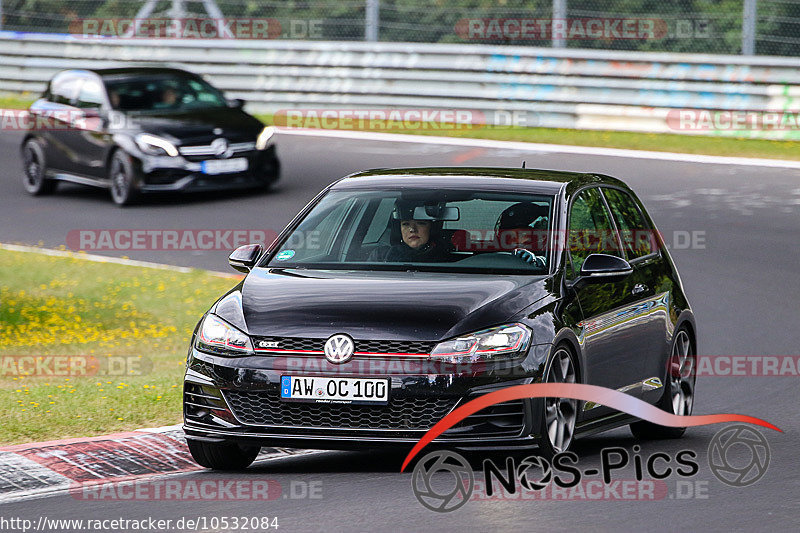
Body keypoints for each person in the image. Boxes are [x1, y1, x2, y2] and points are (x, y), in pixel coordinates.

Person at [368, 201, 454, 262]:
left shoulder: (445, 261)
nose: (412, 229)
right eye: (405, 224)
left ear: (432, 229)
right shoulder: (380, 257)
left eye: (421, 223)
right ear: (399, 229)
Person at [495, 202, 549, 267]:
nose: (513, 239)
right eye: (507, 236)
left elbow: (547, 263)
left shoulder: (552, 257)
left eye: (520, 234)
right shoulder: (493, 258)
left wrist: (536, 262)